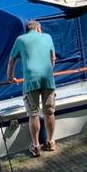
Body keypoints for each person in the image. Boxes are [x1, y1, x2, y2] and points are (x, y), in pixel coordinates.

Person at [7, 20, 56, 157]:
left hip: (31, 80)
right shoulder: (47, 37)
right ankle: (51, 142)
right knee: (49, 112)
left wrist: (10, 78)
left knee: (33, 113)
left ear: (27, 30)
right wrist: (48, 72)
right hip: (47, 77)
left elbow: (11, 63)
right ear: (39, 29)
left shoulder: (21, 40)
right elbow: (53, 58)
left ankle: (36, 147)